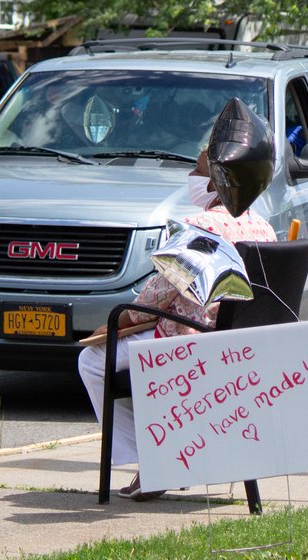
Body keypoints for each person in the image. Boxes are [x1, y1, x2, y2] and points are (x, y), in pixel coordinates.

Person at [78, 149, 276, 502]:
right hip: (243, 350)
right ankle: (166, 456)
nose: (192, 178)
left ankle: (156, 460)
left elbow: (152, 301)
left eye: (198, 170)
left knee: (92, 360)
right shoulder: (265, 227)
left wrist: (108, 327)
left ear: (216, 181)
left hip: (191, 345)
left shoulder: (200, 227)